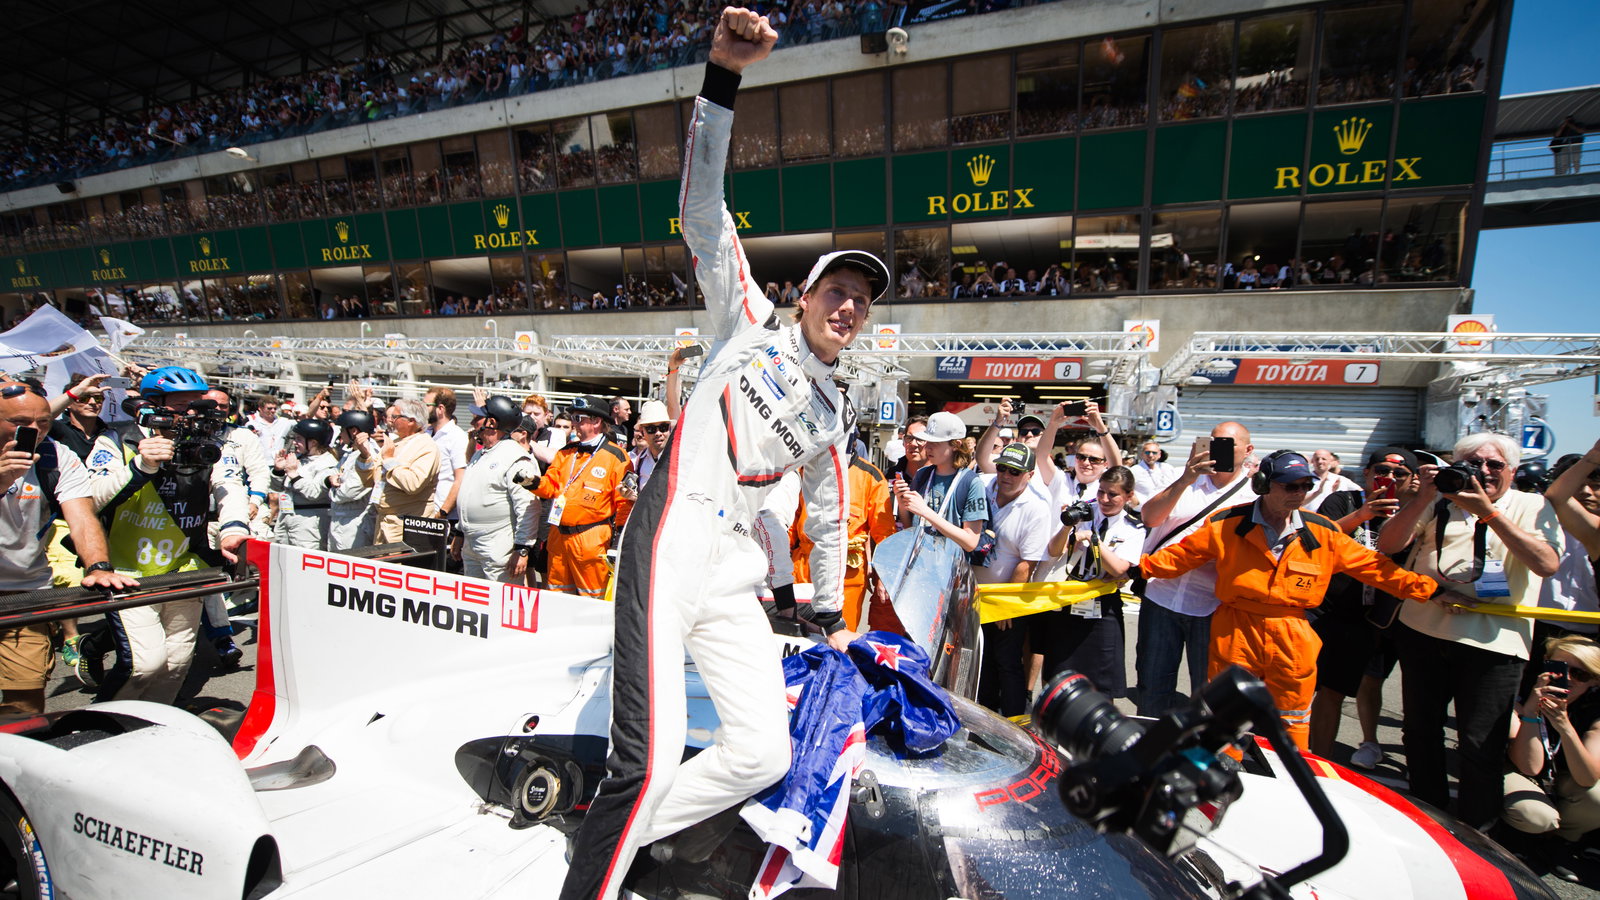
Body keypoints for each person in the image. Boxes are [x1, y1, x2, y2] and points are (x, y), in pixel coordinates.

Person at [559, 12, 885, 897]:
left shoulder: (836, 406)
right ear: (804, 293)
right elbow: (702, 208)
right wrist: (723, 79)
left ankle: (609, 842)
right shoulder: (746, 320)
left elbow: (831, 504)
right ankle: (600, 862)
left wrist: (824, 612)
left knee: (756, 751)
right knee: (651, 754)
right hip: (669, 544)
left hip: (735, 577)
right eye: (837, 290)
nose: (848, 308)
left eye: (862, 301)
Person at [1121, 451, 1443, 749]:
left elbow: (1373, 567)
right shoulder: (1227, 524)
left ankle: (1289, 777)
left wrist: (1427, 589)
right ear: (1263, 484)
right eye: (1289, 485)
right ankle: (1221, 771)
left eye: (1305, 485)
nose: (1298, 492)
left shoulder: (1322, 532)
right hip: (1236, 630)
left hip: (1293, 633)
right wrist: (1139, 570)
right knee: (1225, 712)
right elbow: (1183, 554)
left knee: (1291, 718)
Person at [1378, 432, 1562, 830]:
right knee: (1420, 732)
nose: (1483, 472)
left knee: (1482, 744)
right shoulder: (1441, 498)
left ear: (1512, 471)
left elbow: (1546, 563)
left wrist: (1489, 513)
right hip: (1424, 632)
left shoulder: (1532, 504)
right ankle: (1427, 819)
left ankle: (1478, 831)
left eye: (1495, 465)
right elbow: (1389, 544)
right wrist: (1425, 497)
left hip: (1495, 641)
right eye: (1473, 463)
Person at [86, 366, 250, 704]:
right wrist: (140, 466)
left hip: (187, 567)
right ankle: (105, 722)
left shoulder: (210, 441)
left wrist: (233, 530)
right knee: (144, 665)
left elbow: (230, 486)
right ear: (153, 404)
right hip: (128, 572)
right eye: (181, 405)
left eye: (197, 404)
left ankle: (155, 724)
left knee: (176, 664)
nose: (191, 413)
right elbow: (90, 497)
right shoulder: (118, 438)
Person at [0, 381, 136, 715]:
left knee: (25, 706)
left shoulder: (56, 456)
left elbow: (82, 516)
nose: (34, 430)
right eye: (20, 423)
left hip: (25, 595)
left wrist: (98, 567)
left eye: (43, 422)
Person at [1133, 423, 1256, 716]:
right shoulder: (1181, 478)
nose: (1219, 449)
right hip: (1161, 598)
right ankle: (1151, 753)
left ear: (1248, 451)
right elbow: (1150, 517)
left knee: (1210, 690)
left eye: (1228, 444)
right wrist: (1186, 478)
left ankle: (1201, 755)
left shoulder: (1253, 496)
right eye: (1214, 442)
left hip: (1214, 606)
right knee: (1152, 685)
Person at [1306, 447, 1417, 762]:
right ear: (1367, 473)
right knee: (1293, 686)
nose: (1389, 478)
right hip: (1321, 608)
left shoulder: (1413, 516)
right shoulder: (1346, 500)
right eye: (1382, 470)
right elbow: (1315, 541)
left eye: (1400, 474)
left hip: (1365, 619)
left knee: (1333, 692)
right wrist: (1364, 514)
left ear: (1412, 481)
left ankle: (1318, 763)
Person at [1037, 465, 1147, 698]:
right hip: (1067, 601)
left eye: (1113, 494)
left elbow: (1118, 568)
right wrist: (1068, 526)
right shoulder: (1084, 512)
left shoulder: (1133, 526)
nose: (1105, 499)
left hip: (1102, 606)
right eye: (1101, 492)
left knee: (1101, 677)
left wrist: (1091, 538)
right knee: (1057, 672)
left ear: (1128, 496)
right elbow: (1054, 550)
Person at [972, 443, 1053, 716]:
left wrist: (1006, 605)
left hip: (1008, 598)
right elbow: (979, 456)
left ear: (1030, 474)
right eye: (1002, 468)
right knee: (977, 661)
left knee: (1006, 662)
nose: (1005, 475)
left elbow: (1026, 564)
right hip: (972, 594)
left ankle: (1015, 721)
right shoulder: (982, 485)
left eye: (1015, 472)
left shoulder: (1037, 507)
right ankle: (981, 715)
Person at [1503, 636, 1600, 860]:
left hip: (1556, 778)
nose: (1567, 679)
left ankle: (1560, 840)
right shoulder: (1518, 690)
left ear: (1594, 681)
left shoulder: (1593, 710)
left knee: (1597, 796)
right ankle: (1515, 832)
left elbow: (1587, 778)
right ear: (1546, 662)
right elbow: (1529, 766)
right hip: (1513, 771)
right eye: (1558, 669)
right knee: (1536, 816)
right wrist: (1530, 713)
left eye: (1580, 674)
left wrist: (1564, 726)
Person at [531, 395, 633, 599]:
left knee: (593, 601)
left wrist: (617, 544)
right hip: (559, 537)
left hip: (591, 539)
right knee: (557, 598)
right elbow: (551, 486)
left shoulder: (616, 457)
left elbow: (624, 503)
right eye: (574, 418)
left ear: (596, 422)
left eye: (579, 418)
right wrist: (531, 483)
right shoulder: (566, 452)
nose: (574, 423)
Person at [452, 396, 539, 582]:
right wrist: (460, 534)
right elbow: (468, 496)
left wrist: (522, 549)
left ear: (491, 422)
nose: (473, 421)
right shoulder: (479, 454)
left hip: (498, 549)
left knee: (501, 606)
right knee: (475, 603)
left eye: (477, 418)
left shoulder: (516, 457)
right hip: (472, 545)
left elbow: (528, 507)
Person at [363, 397, 441, 543]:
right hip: (384, 523)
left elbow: (413, 484)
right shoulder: (395, 443)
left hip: (406, 528)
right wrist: (364, 455)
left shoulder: (426, 446)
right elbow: (370, 479)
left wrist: (389, 461)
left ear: (411, 421)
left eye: (395, 417)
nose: (390, 420)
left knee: (397, 565)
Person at [274, 418, 339, 550]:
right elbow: (277, 488)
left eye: (299, 439)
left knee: (303, 561)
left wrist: (293, 474)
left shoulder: (327, 464)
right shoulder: (301, 459)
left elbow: (314, 493)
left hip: (308, 523)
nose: (295, 443)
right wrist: (279, 471)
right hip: (287, 515)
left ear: (313, 442)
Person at [326, 409, 377, 551]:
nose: (341, 434)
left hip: (355, 523)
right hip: (340, 520)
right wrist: (330, 479)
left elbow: (348, 492)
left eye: (342, 430)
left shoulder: (369, 455)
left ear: (353, 431)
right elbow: (334, 474)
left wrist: (333, 490)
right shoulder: (350, 454)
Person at [423, 387, 469, 521]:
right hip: (424, 512)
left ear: (440, 409)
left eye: (426, 405)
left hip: (443, 517)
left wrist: (443, 512)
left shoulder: (457, 437)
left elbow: (460, 479)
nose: (422, 409)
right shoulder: (426, 433)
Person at [630, 400, 672, 490]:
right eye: (651, 429)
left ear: (669, 429)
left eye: (663, 427)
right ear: (642, 432)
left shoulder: (679, 458)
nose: (658, 433)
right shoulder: (638, 461)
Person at [1131, 441, 1180, 506]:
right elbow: (1126, 490)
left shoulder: (1167, 468)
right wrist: (1136, 504)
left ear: (1159, 455)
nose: (1150, 455)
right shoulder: (1135, 470)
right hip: (1143, 512)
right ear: (1142, 454)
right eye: (1147, 452)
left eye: (1154, 453)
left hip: (1165, 510)